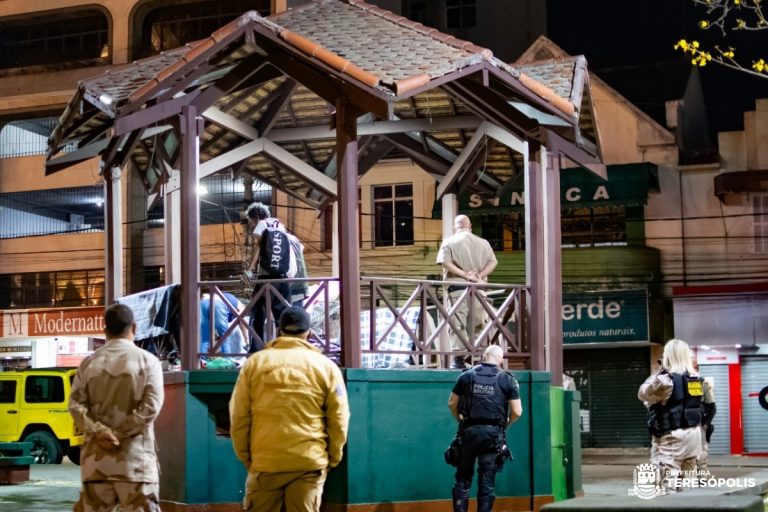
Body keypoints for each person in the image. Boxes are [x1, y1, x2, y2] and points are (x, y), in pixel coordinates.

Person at [230, 307, 350, 512]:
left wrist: (246, 457)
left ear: (279, 331)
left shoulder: (254, 364)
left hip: (266, 462)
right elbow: (339, 417)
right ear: (309, 333)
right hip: (309, 462)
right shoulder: (326, 367)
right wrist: (332, 457)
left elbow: (239, 416)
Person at [69, 303, 164, 512]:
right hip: (135, 465)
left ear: (105, 330)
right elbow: (151, 406)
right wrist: (119, 434)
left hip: (96, 466)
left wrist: (100, 432)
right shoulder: (148, 361)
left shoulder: (88, 363)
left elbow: (75, 406)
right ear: (134, 327)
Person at [447, 344, 522, 512]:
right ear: (500, 360)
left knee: (463, 478)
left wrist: (459, 418)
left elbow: (452, 403)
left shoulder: (466, 376)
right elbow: (517, 411)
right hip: (492, 435)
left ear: (483, 356)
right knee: (487, 480)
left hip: (468, 432)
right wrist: (506, 424)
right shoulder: (507, 379)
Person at [638, 339, 703, 491]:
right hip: (693, 438)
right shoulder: (695, 378)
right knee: (687, 487)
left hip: (672, 440)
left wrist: (660, 370)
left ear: (668, 356)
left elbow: (642, 394)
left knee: (665, 488)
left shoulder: (664, 380)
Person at [437, 215, 498, 368]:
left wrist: (464, 275)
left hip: (458, 288)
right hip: (479, 288)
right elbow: (493, 262)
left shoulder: (449, 241)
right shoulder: (483, 242)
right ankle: (478, 359)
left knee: (458, 323)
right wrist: (479, 276)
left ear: (455, 227)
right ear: (470, 226)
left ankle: (458, 360)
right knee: (478, 323)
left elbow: (444, 261)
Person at [245, 202, 292, 351]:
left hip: (266, 277)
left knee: (257, 313)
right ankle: (284, 347)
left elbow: (258, 248)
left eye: (252, 221)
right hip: (282, 277)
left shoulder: (262, 224)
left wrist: (249, 270)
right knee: (282, 316)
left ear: (257, 217)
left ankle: (256, 349)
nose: (252, 224)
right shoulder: (280, 226)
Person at [200, 291, 245, 360]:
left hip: (203, 303)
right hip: (217, 304)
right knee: (225, 337)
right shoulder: (241, 307)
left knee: (205, 337)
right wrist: (246, 339)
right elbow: (242, 322)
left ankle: (201, 360)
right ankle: (227, 360)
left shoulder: (229, 299)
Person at [693, 360, 716, 472]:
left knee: (702, 451)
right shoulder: (680, 382)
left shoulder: (703, 384)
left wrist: (706, 424)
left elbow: (712, 407)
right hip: (684, 425)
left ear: (697, 368)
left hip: (700, 423)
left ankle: (702, 476)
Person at [287, 232, 309, 307]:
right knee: (298, 309)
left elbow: (292, 267)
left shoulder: (282, 240)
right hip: (301, 282)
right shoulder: (294, 239)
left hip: (292, 284)